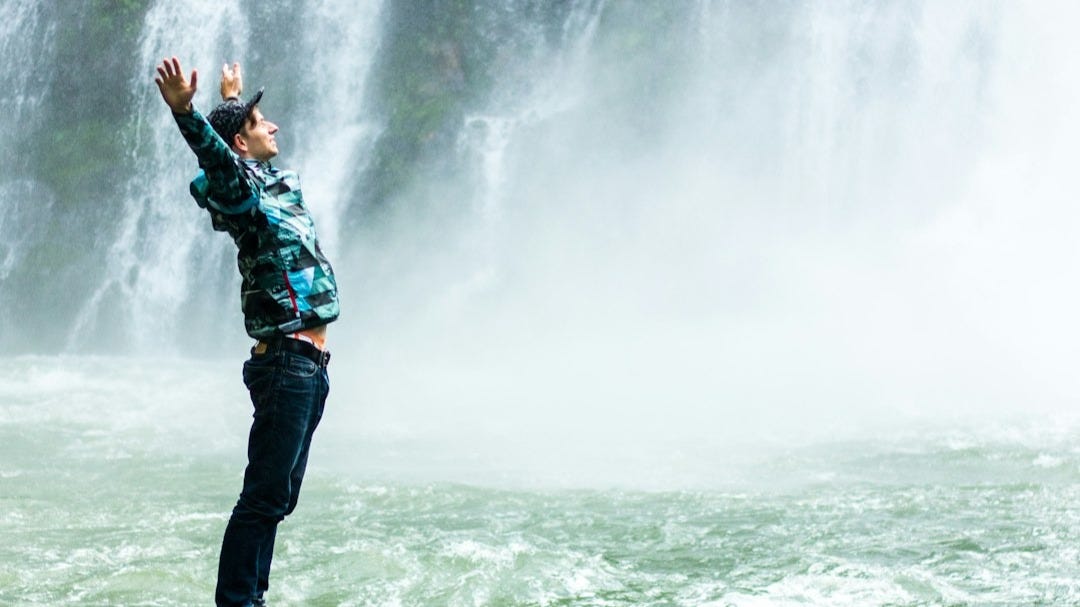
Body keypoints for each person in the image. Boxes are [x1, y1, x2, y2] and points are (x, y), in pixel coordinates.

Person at [154, 56, 340, 607]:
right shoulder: (244, 197)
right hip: (286, 363)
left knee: (278, 498)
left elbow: (224, 163)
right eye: (261, 123)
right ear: (240, 142)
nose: (274, 125)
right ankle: (239, 602)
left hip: (308, 366)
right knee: (262, 498)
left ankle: (251, 596)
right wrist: (189, 115)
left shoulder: (275, 186)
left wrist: (233, 105)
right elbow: (218, 168)